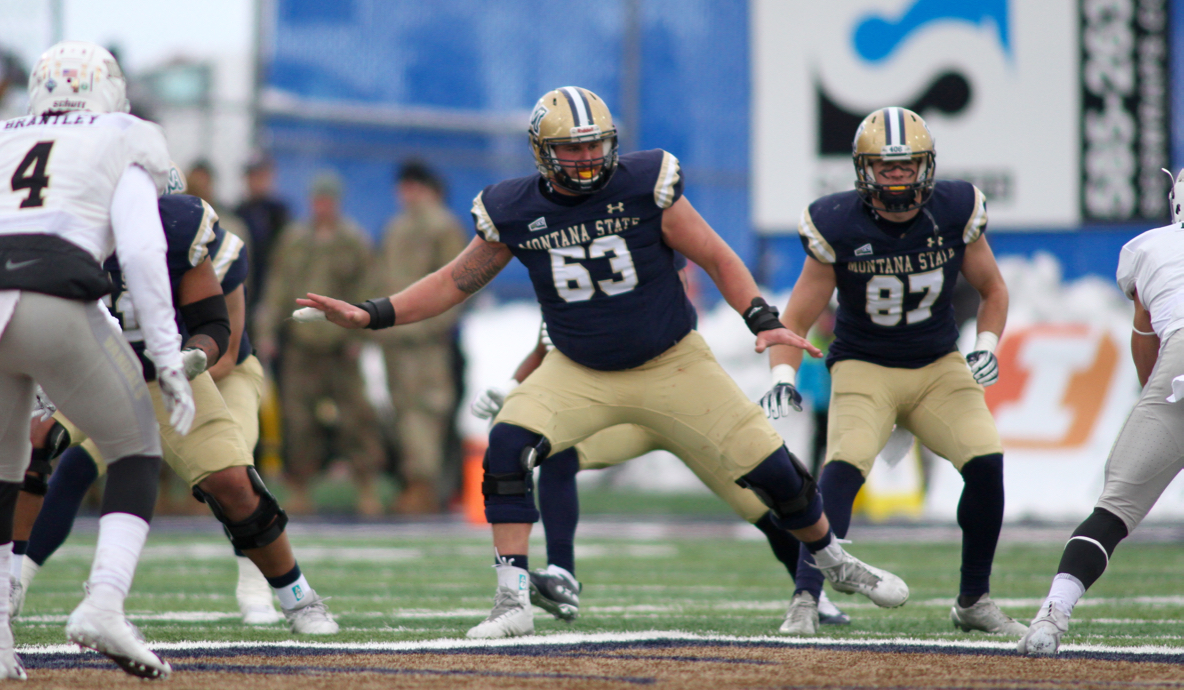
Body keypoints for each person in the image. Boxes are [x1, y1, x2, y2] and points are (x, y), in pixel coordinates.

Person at [295, 86, 908, 639]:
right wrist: (372, 313)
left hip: (673, 364)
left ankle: (832, 559)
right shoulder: (512, 208)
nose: (588, 158)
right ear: (542, 153)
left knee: (776, 472)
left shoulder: (645, 183)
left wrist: (760, 317)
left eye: (595, 145)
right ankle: (513, 600)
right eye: (573, 149)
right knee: (507, 443)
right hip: (578, 370)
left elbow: (718, 256)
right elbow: (455, 281)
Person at [0, 41, 192, 680]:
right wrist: (167, 355)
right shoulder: (123, 137)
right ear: (109, 88)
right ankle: (104, 603)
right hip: (58, 298)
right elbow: (143, 255)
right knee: (136, 447)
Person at [16, 193, 338, 634]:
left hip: (170, 371)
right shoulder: (55, 217)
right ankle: (3, 580)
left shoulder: (183, 229)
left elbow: (215, 327)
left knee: (233, 481)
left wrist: (193, 357)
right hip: (86, 368)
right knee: (33, 447)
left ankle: (297, 598)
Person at [761, 106, 1020, 637]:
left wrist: (986, 343)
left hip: (937, 365)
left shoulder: (955, 209)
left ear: (927, 167)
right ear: (864, 170)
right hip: (865, 365)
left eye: (907, 166)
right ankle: (806, 598)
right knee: (842, 468)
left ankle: (974, 599)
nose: (898, 177)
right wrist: (782, 375)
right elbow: (797, 318)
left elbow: (993, 289)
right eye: (886, 167)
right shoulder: (838, 221)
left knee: (986, 462)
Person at [471, 318, 850, 627]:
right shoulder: (567, 277)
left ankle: (811, 593)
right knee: (559, 454)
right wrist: (513, 387)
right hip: (620, 419)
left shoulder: (650, 276)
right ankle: (562, 573)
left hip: (678, 410)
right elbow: (545, 351)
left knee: (761, 506)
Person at [1017, 170, 1184, 655]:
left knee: (1111, 514)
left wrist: (1158, 407)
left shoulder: (1149, 248)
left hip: (1177, 371)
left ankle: (1052, 616)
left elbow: (1146, 340)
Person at [258, 172, 385, 515]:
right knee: (299, 420)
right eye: (318, 200)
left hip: (341, 347)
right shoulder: (295, 240)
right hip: (302, 346)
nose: (322, 207)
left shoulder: (353, 240)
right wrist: (267, 332)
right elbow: (277, 287)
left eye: (328, 200)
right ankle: (300, 487)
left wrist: (360, 335)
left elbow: (368, 288)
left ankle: (366, 486)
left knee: (356, 419)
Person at [374, 160, 468, 513]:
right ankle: (416, 483)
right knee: (405, 410)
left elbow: (459, 282)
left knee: (426, 410)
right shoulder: (397, 226)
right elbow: (382, 277)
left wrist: (429, 326)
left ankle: (425, 486)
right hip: (399, 337)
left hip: (425, 341)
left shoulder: (442, 226)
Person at [234, 152, 288, 316]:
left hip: (273, 290)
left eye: (261, 176)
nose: (257, 181)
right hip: (244, 289)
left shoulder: (280, 213)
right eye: (253, 176)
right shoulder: (238, 212)